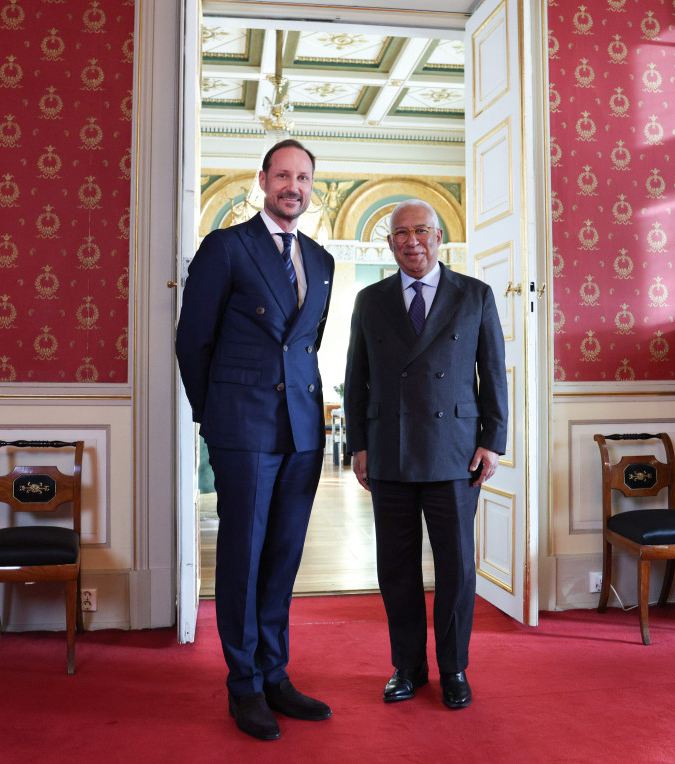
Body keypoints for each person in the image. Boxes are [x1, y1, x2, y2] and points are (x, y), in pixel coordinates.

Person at [175, 138, 335, 741]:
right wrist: (215, 415)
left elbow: (308, 345)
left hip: (302, 428)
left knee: (283, 556)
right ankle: (243, 684)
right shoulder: (226, 247)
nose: (294, 186)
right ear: (263, 180)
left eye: (304, 177)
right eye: (283, 175)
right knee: (243, 556)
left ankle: (274, 673)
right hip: (242, 425)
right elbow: (193, 341)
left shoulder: (321, 259)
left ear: (312, 187)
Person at [343, 198, 508, 710]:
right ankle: (407, 667)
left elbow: (492, 373)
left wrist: (493, 440)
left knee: (456, 568)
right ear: (389, 243)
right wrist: (358, 444)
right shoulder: (369, 300)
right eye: (400, 233)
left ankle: (454, 668)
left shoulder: (474, 295)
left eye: (420, 231)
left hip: (455, 452)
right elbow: (356, 378)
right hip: (388, 449)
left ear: (439, 238)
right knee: (396, 567)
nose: (411, 241)